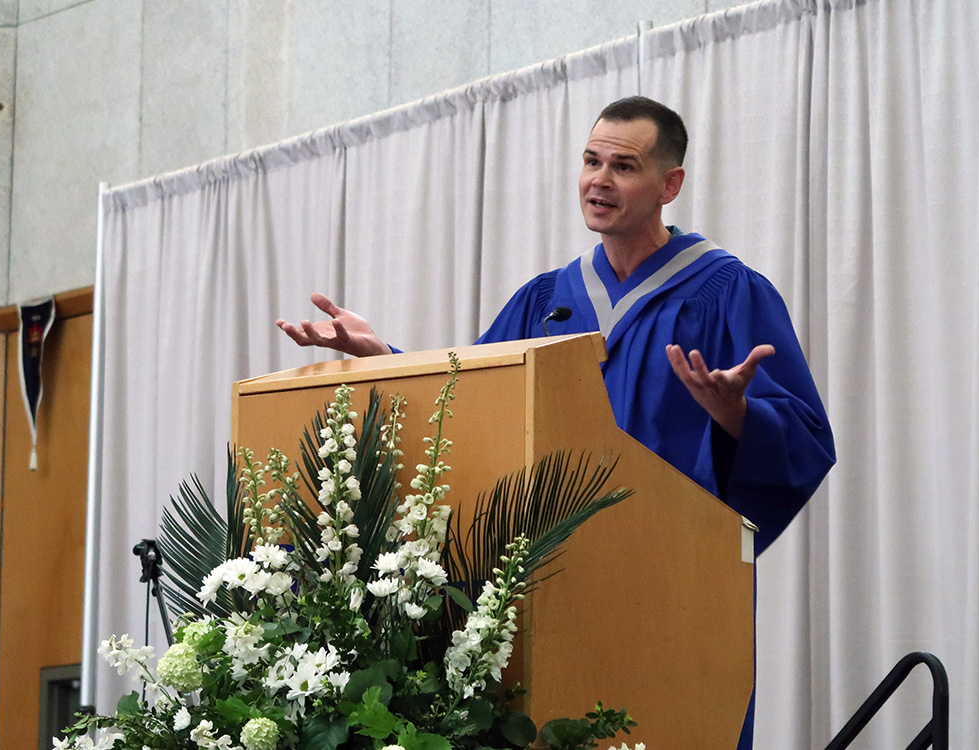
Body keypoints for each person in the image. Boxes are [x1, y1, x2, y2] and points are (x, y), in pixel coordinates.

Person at [278, 96, 835, 748]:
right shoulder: (544, 301)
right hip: (545, 591)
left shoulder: (724, 292)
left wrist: (735, 413)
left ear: (669, 185)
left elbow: (804, 438)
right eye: (591, 160)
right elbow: (476, 402)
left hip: (670, 587)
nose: (599, 179)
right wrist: (388, 358)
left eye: (623, 166)